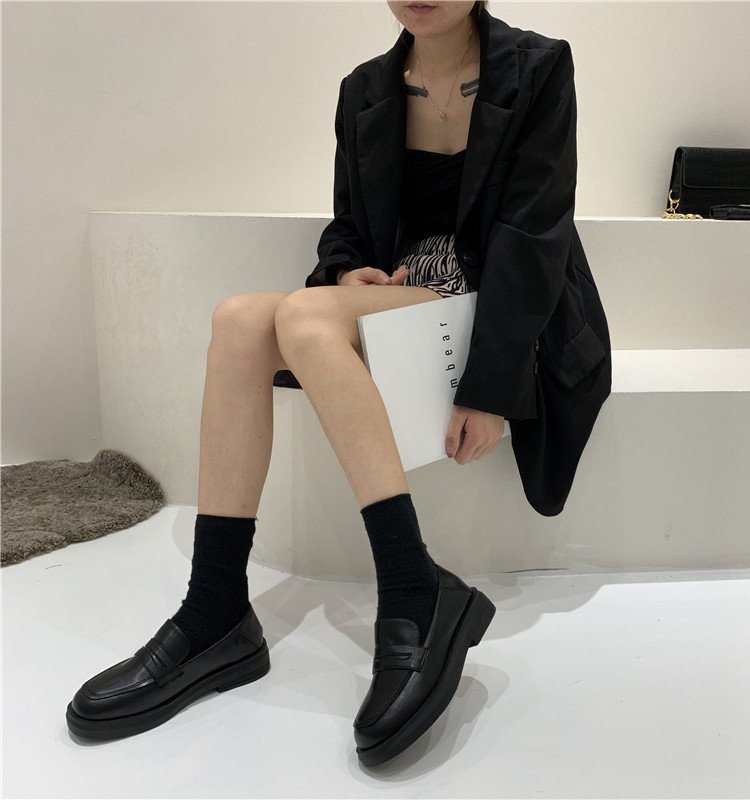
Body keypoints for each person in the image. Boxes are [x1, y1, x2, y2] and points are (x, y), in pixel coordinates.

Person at [66, 1, 611, 767]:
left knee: (304, 317)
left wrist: (491, 387)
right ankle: (216, 607)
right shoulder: (365, 89)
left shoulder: (540, 67)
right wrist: (346, 272)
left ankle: (415, 590)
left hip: (504, 307)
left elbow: (534, 236)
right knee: (238, 320)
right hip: (409, 297)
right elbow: (349, 224)